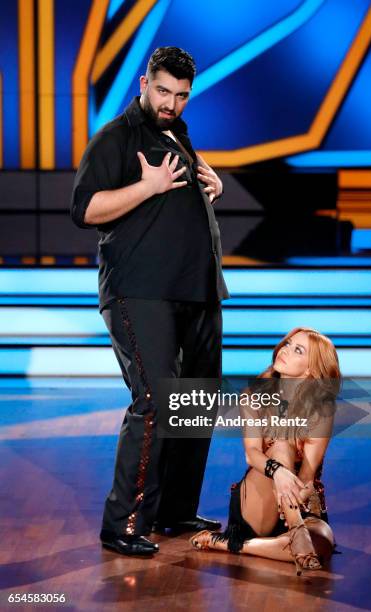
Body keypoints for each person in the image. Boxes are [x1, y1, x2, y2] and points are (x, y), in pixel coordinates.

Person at [71, 47, 229, 556]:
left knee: (194, 406)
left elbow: (181, 190)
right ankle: (124, 522)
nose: (171, 103)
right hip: (140, 292)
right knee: (156, 404)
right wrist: (147, 186)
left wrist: (211, 183)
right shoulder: (116, 138)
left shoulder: (177, 133)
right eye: (163, 91)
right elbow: (87, 208)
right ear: (144, 83)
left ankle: (173, 510)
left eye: (182, 95)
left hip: (197, 291)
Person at [190, 327, 341, 575]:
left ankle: (234, 545)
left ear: (311, 370)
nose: (285, 350)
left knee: (321, 545)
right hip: (258, 500)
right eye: (288, 343)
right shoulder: (252, 396)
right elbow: (252, 454)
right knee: (281, 446)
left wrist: (297, 495)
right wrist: (278, 472)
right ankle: (294, 530)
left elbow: (307, 475)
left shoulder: (322, 409)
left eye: (298, 350)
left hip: (300, 501)